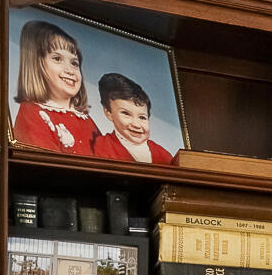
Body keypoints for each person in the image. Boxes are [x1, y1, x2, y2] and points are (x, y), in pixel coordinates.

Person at [12, 20, 103, 155]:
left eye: (74, 63)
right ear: (36, 65)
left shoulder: (84, 119)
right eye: (57, 59)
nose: (70, 70)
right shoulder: (32, 113)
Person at [92, 72, 176, 166]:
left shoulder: (163, 155)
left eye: (142, 117)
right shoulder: (104, 145)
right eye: (126, 114)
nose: (136, 124)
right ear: (109, 113)